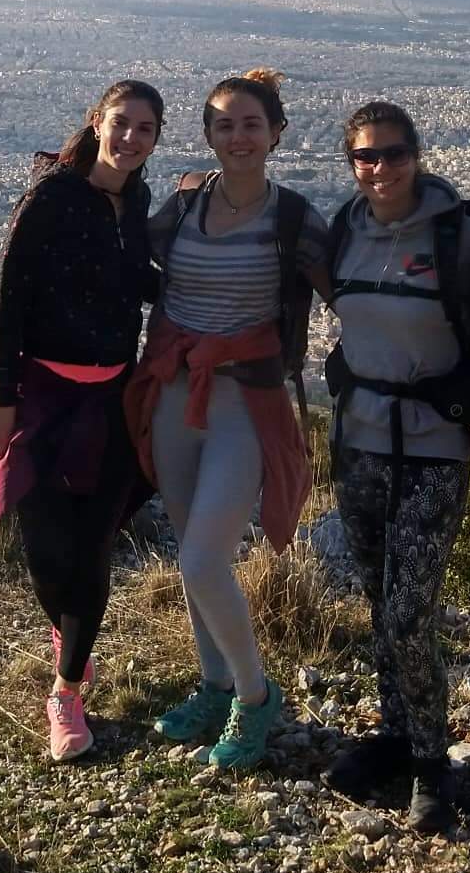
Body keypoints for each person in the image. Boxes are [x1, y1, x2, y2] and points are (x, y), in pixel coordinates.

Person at [0, 79, 164, 763]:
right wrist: (0, 396)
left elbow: (136, 288)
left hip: (110, 401)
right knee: (45, 553)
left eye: (145, 130)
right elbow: (7, 295)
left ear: (155, 141)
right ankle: (69, 632)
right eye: (122, 123)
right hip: (40, 395)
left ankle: (67, 690)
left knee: (92, 550)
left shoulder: (138, 203)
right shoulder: (52, 195)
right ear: (98, 121)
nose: (130, 138)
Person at [125, 68, 328, 770]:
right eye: (223, 124)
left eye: (251, 124)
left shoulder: (296, 219)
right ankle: (212, 687)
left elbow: (353, 283)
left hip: (248, 398)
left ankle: (254, 695)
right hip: (177, 394)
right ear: (207, 135)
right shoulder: (183, 206)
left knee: (204, 556)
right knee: (190, 552)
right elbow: (123, 248)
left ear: (277, 133)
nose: (237, 137)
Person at [319, 101, 470, 834]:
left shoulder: (458, 237)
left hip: (431, 445)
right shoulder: (342, 232)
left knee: (406, 612)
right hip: (356, 438)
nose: (380, 169)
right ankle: (395, 733)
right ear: (352, 163)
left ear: (417, 154)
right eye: (366, 157)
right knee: (376, 598)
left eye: (393, 154)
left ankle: (431, 760)